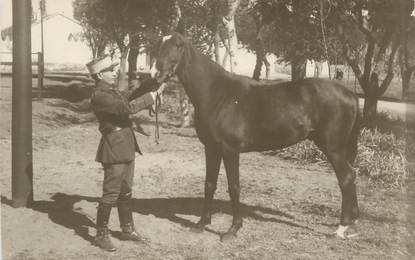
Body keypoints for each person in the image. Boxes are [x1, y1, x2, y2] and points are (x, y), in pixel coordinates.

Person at [86, 55, 164, 252]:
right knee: (111, 193)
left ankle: (127, 229)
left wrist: (153, 81)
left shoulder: (111, 91)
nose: (115, 72)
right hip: (114, 147)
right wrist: (152, 97)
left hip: (126, 146)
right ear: (99, 75)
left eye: (114, 68)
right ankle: (101, 235)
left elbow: (131, 94)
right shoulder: (100, 95)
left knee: (126, 190)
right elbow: (127, 108)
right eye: (110, 70)